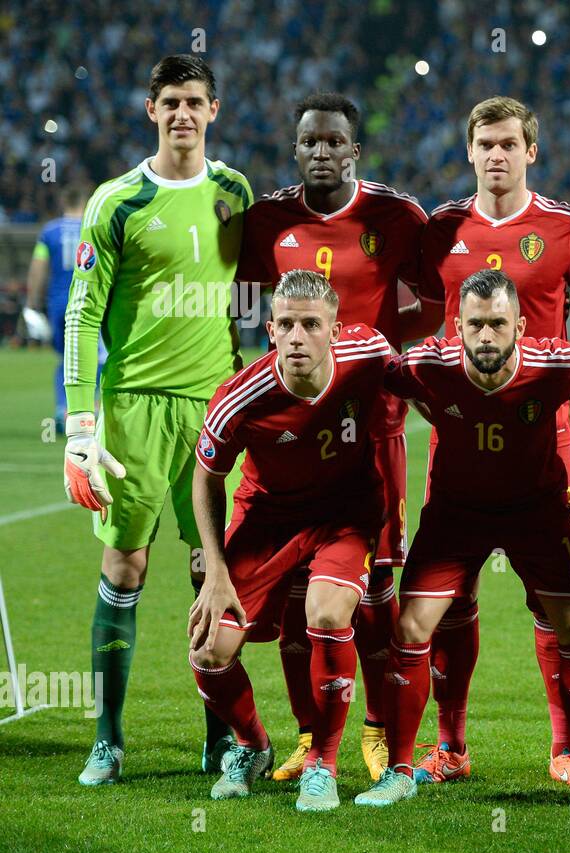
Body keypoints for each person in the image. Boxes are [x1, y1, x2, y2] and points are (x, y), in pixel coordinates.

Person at [354, 268, 570, 809]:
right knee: (411, 625)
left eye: (497, 324)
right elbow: (378, 374)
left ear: (521, 326)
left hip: (539, 513)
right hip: (457, 514)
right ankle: (400, 772)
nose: (485, 337)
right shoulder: (431, 363)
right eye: (474, 325)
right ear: (457, 326)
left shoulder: (554, 362)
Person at [62, 54, 251, 785]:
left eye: (194, 101)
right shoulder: (117, 202)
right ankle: (108, 740)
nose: (182, 113)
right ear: (151, 110)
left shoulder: (235, 193)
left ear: (214, 110)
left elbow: (259, 294)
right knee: (125, 564)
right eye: (169, 101)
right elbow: (81, 316)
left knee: (215, 571)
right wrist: (83, 428)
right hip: (135, 409)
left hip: (216, 408)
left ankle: (221, 737)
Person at [237, 91, 428, 783]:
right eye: (310, 142)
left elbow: (433, 299)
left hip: (372, 433)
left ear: (355, 150)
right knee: (297, 599)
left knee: (375, 591)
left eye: (333, 142)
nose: (321, 152)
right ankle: (309, 735)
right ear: (296, 150)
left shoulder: (396, 216)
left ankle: (378, 729)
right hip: (291, 435)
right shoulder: (269, 220)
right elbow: (244, 310)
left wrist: (382, 353)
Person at [418, 96, 570, 786]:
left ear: (532, 151)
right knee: (449, 600)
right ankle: (450, 747)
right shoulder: (440, 228)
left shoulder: (565, 227)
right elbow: (408, 312)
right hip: (457, 441)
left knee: (559, 603)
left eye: (508, 143)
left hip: (543, 444)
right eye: (484, 143)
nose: (496, 155)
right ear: (468, 151)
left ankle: (565, 748)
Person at [188, 269, 391, 811]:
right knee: (209, 650)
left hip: (345, 515)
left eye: (309, 324)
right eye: (285, 324)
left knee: (326, 614)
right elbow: (205, 476)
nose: (297, 336)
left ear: (335, 329)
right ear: (270, 331)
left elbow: (421, 383)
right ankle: (252, 746)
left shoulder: (369, 354)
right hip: (268, 518)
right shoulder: (241, 397)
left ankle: (322, 764)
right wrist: (214, 569)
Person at [25, 182, 102, 429]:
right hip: (91, 302)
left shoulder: (50, 231)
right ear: (86, 203)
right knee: (97, 357)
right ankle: (91, 409)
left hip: (59, 304)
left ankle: (62, 411)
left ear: (63, 203)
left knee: (65, 358)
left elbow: (38, 267)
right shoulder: (95, 227)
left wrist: (32, 303)